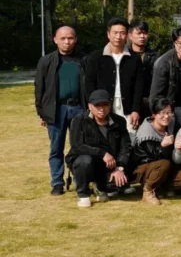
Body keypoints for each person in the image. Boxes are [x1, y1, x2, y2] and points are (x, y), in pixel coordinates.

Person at [35, 25, 88, 195]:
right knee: (56, 148)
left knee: (79, 147)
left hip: (79, 109)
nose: (67, 42)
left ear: (76, 39)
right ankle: (57, 182)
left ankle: (80, 179)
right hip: (56, 110)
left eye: (70, 38)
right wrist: (42, 112)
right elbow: (39, 88)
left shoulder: (83, 59)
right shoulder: (46, 61)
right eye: (63, 38)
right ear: (55, 40)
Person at [66, 90, 133, 208]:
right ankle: (83, 193)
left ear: (110, 105)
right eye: (97, 105)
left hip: (109, 165)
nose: (102, 109)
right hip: (85, 162)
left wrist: (119, 167)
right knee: (85, 161)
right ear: (90, 106)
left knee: (116, 184)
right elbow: (77, 146)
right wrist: (102, 153)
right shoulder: (79, 120)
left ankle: (101, 186)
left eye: (105, 104)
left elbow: (125, 146)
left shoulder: (119, 121)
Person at [85, 17, 144, 132]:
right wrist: (93, 105)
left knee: (129, 139)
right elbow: (89, 83)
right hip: (103, 106)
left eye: (122, 33)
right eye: (115, 33)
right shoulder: (96, 57)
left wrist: (136, 110)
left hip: (127, 107)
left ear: (127, 35)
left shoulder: (134, 58)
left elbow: (139, 85)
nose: (118, 37)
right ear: (108, 34)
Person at [129, 96, 177, 205]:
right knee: (164, 164)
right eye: (162, 113)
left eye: (169, 112)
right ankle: (148, 191)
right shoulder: (146, 132)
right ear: (154, 115)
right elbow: (153, 156)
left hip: (162, 169)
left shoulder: (172, 125)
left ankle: (159, 188)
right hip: (144, 168)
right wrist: (163, 145)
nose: (166, 116)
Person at [128, 19, 157, 116]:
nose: (142, 36)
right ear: (130, 35)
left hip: (148, 101)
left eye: (145, 33)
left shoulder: (155, 56)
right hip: (129, 101)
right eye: (139, 33)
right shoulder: (125, 55)